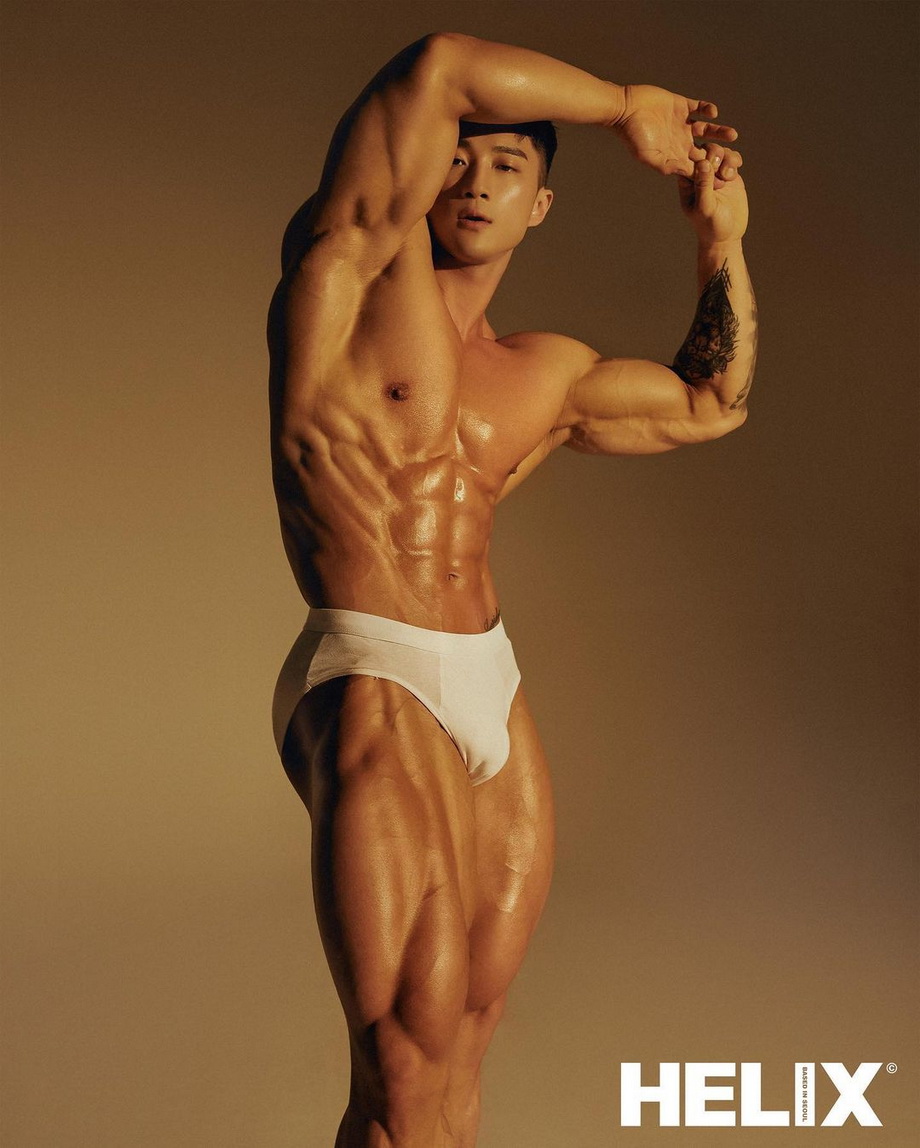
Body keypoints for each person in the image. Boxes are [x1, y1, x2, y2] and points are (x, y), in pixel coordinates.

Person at [267, 32, 755, 1147]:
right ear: (423, 170)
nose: (476, 182)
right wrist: (625, 104)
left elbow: (709, 402)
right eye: (458, 159)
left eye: (506, 168)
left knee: (462, 1043)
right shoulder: (346, 271)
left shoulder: (542, 371)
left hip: (487, 673)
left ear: (539, 207)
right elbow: (440, 65)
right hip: (372, 663)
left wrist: (719, 240)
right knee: (404, 1050)